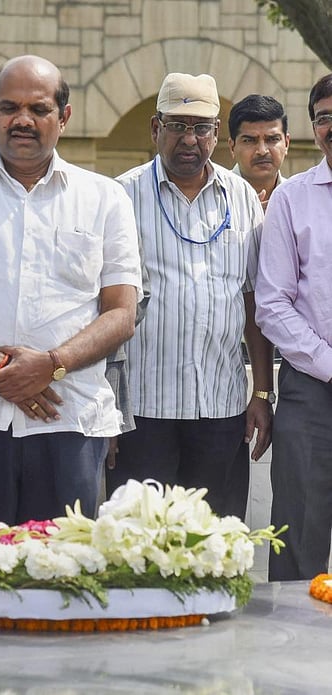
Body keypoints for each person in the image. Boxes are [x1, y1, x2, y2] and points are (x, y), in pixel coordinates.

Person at [0, 55, 142, 528]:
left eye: (38, 108)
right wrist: (2, 368)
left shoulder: (104, 197)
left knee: (58, 582)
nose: (22, 120)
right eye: (9, 107)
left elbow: (121, 313)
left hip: (66, 416)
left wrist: (51, 366)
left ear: (64, 116)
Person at [107, 73, 274, 518]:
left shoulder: (240, 195)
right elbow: (102, 307)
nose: (189, 139)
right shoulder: (121, 195)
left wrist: (261, 394)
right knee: (138, 545)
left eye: (201, 127)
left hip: (220, 407)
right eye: (177, 125)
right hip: (143, 409)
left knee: (214, 541)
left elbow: (252, 301)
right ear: (154, 128)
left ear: (216, 134)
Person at [255, 74, 332, 580]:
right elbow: (271, 304)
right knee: (298, 534)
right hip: (311, 389)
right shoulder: (292, 199)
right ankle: (288, 656)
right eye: (324, 118)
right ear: (313, 128)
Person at [228, 94, 290, 209]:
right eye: (249, 140)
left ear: (286, 143)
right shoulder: (216, 198)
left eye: (272, 139)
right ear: (232, 147)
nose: (262, 151)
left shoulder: (300, 198)